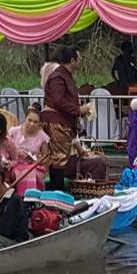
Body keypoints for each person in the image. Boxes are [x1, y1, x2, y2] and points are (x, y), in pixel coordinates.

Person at [40, 46, 95, 187]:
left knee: (58, 158)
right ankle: (56, 193)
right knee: (59, 159)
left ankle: (55, 190)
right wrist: (78, 109)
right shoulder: (58, 76)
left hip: (62, 121)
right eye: (79, 57)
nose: (81, 60)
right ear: (72, 60)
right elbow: (58, 100)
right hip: (56, 122)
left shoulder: (64, 75)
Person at [8, 105, 49, 195]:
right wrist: (17, 152)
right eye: (29, 120)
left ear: (39, 124)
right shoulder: (14, 131)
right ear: (25, 119)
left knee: (30, 172)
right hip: (15, 164)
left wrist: (36, 159)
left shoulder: (42, 137)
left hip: (34, 166)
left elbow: (46, 158)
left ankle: (30, 198)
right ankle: (22, 197)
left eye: (35, 122)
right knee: (21, 172)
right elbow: (5, 148)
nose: (31, 124)